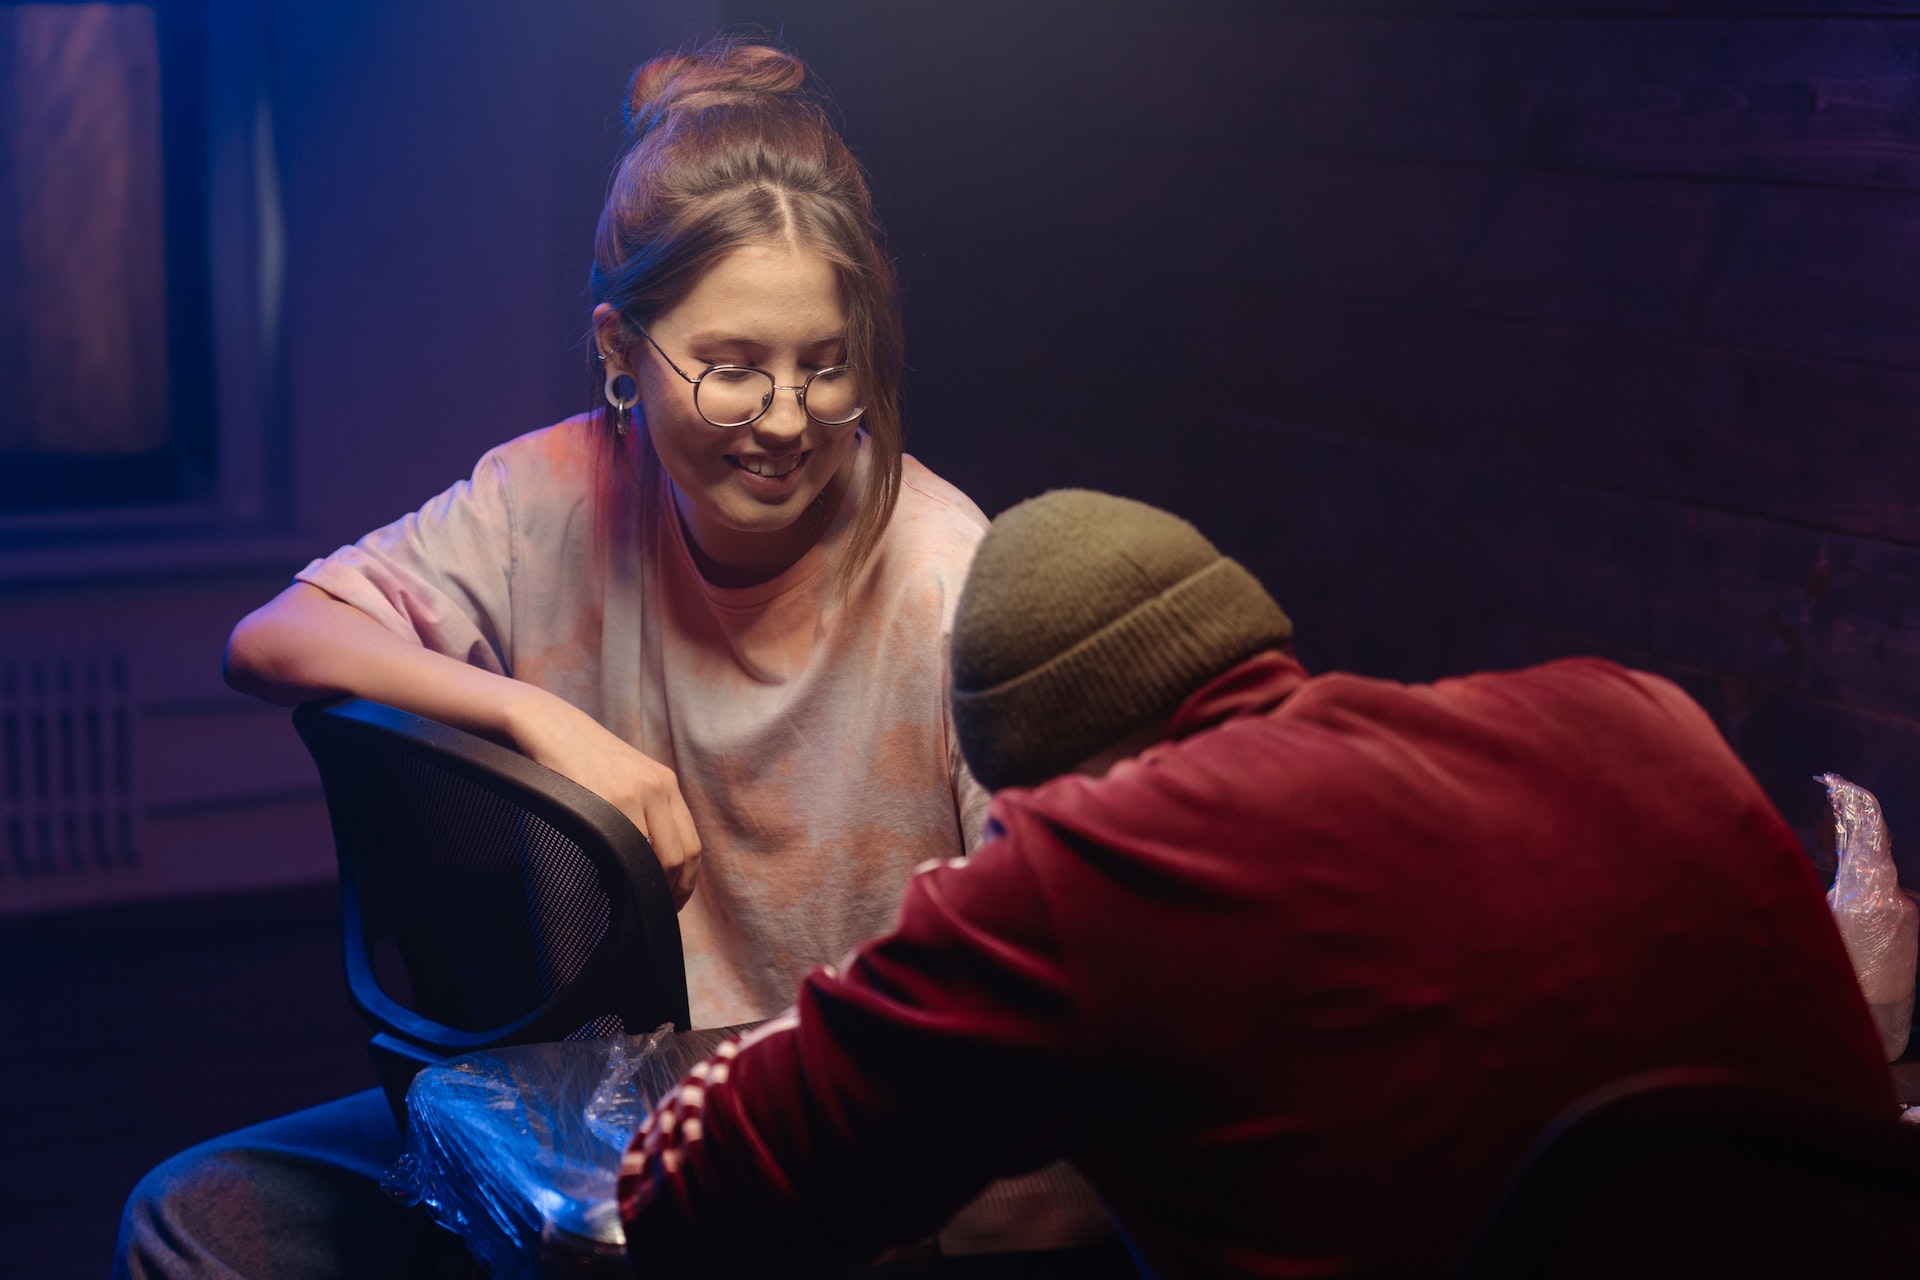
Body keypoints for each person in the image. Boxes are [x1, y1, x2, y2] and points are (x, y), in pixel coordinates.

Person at [117, 39, 1110, 1279]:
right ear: (619, 350)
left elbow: (1056, 987)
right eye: (733, 366)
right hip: (603, 1135)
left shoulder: (951, 577)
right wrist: (542, 718)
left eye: (827, 364)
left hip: (851, 1161)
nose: (789, 419)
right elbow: (274, 640)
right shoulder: (553, 493)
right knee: (195, 1213)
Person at [613, 489, 1899, 1280]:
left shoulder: (1086, 870)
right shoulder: (1637, 708)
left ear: (1039, 787)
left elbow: (694, 1190)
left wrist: (855, 984)